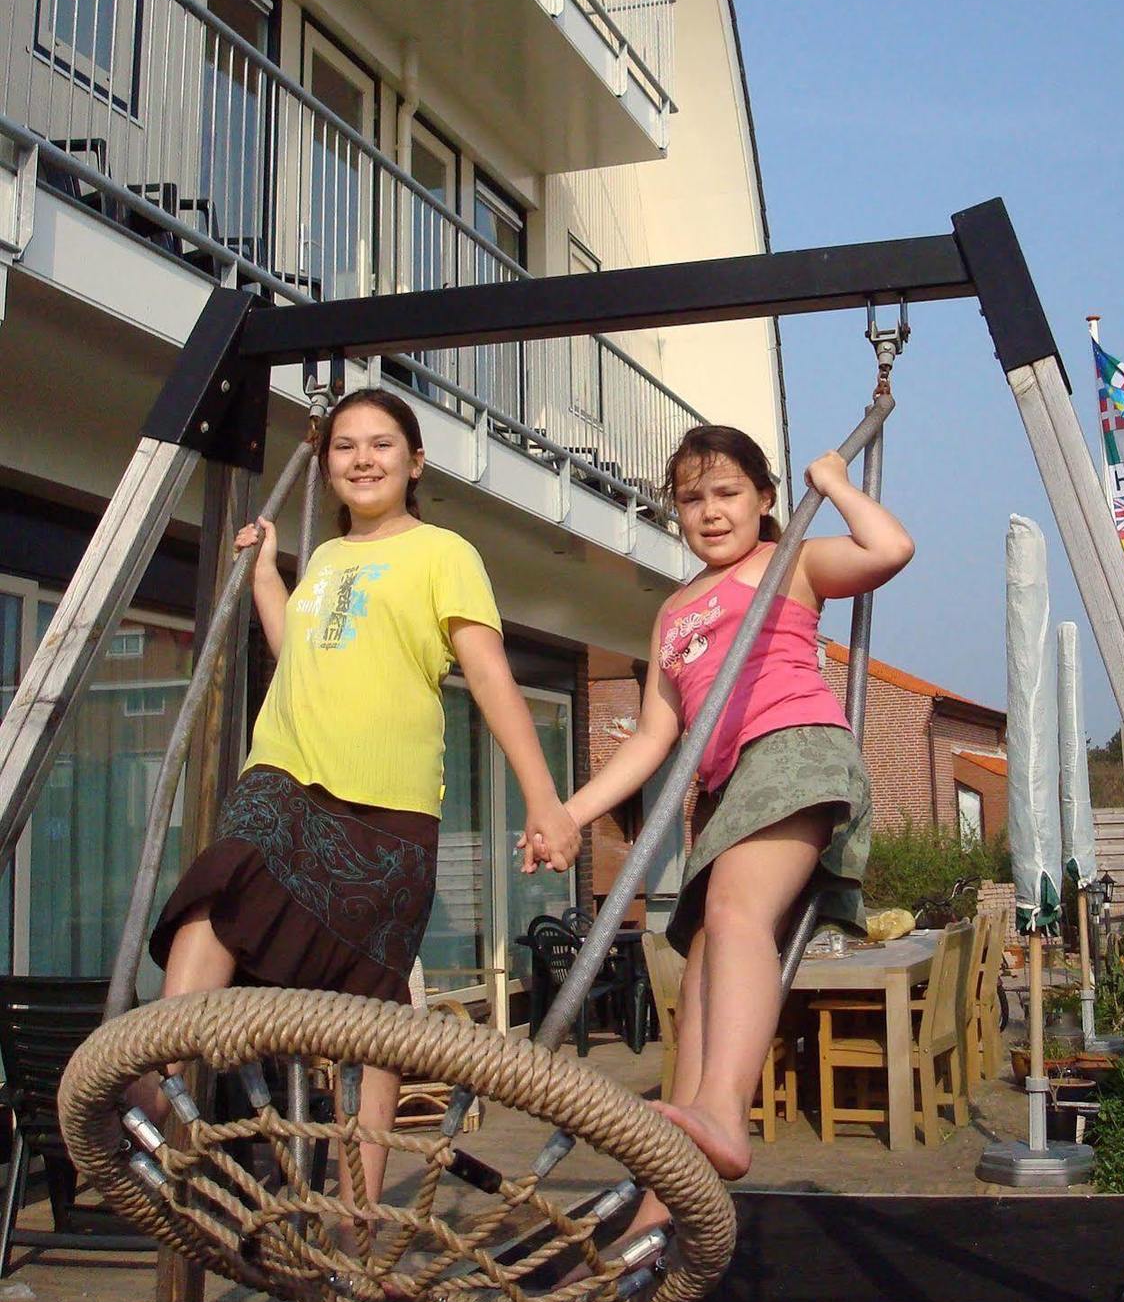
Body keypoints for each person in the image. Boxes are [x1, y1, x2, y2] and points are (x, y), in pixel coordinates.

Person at [137, 388, 580, 1225]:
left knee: (366, 1018)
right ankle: (163, 1079)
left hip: (387, 810)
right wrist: (269, 573)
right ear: (329, 464)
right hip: (288, 777)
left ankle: (357, 1216)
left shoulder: (444, 552)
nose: (363, 458)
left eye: (382, 444)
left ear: (416, 463)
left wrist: (543, 796)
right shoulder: (328, 559)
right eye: (345, 446)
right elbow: (296, 653)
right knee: (216, 888)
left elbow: (486, 674)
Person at [563, 422, 912, 1231]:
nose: (711, 512)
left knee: (734, 919)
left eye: (728, 493)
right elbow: (654, 738)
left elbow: (890, 549)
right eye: (692, 498)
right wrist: (571, 815)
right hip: (723, 792)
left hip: (794, 754)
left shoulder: (791, 561)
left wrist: (835, 485)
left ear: (764, 499)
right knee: (702, 978)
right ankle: (664, 1201)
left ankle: (725, 1114)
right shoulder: (673, 614)